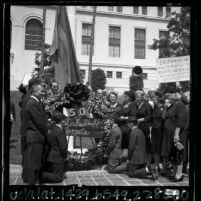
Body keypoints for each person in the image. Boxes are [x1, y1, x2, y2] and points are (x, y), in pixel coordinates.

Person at [24, 83, 49, 185]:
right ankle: (31, 183)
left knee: (37, 162)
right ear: (35, 91)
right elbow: (39, 121)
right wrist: (47, 131)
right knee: (34, 163)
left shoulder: (37, 102)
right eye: (41, 91)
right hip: (35, 136)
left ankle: (35, 181)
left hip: (37, 136)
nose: (43, 93)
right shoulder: (32, 103)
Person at [161, 93, 187, 182]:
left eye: (170, 97)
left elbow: (180, 120)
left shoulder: (180, 105)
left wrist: (176, 134)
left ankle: (179, 174)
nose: (168, 99)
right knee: (174, 153)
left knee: (179, 152)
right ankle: (175, 172)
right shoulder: (173, 105)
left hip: (178, 134)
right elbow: (164, 116)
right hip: (171, 133)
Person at [40, 110, 67, 183]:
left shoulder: (51, 128)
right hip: (56, 158)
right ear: (62, 121)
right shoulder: (59, 131)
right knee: (58, 178)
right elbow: (63, 147)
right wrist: (64, 157)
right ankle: (39, 175)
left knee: (52, 172)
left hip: (48, 157)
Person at [115, 91, 137, 161]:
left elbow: (133, 116)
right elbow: (120, 112)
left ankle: (125, 160)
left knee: (126, 144)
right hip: (122, 125)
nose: (124, 98)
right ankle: (121, 159)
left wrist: (125, 118)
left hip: (127, 126)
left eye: (126, 96)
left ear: (130, 98)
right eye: (124, 96)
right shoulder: (124, 103)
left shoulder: (133, 104)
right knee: (122, 143)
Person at [148, 96, 164, 180]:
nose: (152, 101)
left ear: (158, 100)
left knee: (157, 149)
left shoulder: (162, 107)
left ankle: (157, 167)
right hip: (153, 130)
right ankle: (153, 167)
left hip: (159, 130)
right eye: (152, 99)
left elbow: (163, 118)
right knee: (153, 149)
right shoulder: (153, 108)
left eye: (154, 99)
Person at [135, 90, 152, 164]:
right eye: (136, 97)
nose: (137, 98)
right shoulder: (135, 104)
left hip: (145, 127)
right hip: (137, 126)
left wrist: (143, 119)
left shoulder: (147, 105)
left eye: (139, 97)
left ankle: (146, 163)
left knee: (145, 145)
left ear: (142, 97)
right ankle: (139, 161)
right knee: (138, 144)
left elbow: (150, 116)